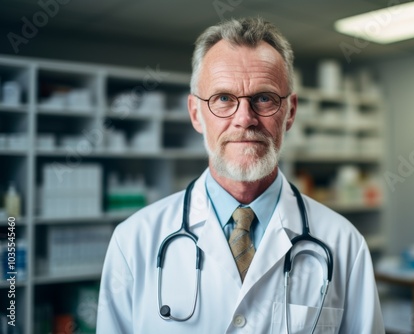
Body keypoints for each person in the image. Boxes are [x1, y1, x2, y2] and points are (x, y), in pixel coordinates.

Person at [96, 17, 384, 333]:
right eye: (223, 99)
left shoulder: (343, 245)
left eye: (264, 98)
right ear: (195, 113)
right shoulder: (134, 241)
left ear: (289, 112)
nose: (245, 119)